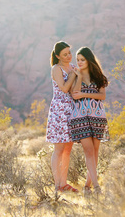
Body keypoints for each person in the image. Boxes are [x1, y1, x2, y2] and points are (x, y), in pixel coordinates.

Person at [70, 47, 109, 194]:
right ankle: (97, 187)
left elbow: (102, 96)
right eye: (78, 60)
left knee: (95, 151)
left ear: (89, 60)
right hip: (79, 117)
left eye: (82, 59)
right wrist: (79, 77)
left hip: (97, 116)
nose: (79, 62)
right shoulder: (74, 75)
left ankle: (88, 185)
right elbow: (75, 95)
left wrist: (85, 93)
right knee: (88, 150)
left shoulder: (98, 76)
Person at [46, 41, 79, 193]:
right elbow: (64, 89)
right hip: (60, 109)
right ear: (58, 55)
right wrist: (73, 75)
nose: (68, 57)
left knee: (68, 148)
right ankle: (57, 184)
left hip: (72, 108)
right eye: (64, 54)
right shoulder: (56, 68)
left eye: (69, 53)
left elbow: (75, 89)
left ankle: (64, 183)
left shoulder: (72, 67)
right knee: (59, 148)